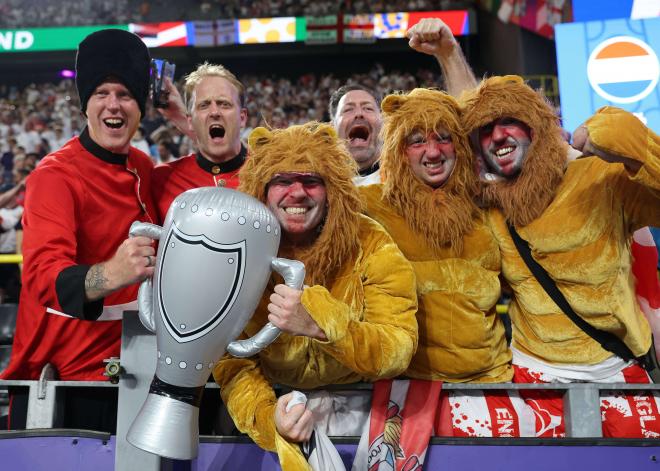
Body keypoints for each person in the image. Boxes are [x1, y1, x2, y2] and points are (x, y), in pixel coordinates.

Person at [460, 75, 660, 438]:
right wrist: (446, 52)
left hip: (615, 370)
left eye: (509, 122)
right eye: (484, 131)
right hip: (533, 378)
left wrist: (621, 133)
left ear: (537, 128)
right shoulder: (490, 207)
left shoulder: (599, 177)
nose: (497, 136)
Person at [213, 122, 418, 470]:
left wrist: (322, 324)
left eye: (311, 180)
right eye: (282, 181)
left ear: (331, 187)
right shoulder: (237, 247)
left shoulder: (369, 240)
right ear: (262, 189)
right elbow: (231, 362)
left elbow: (399, 345)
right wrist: (268, 419)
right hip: (279, 410)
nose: (297, 193)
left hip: (368, 414)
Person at [0, 29, 157, 432]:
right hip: (61, 385)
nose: (113, 104)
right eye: (101, 93)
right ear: (84, 105)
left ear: (141, 106)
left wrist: (186, 121)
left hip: (130, 375)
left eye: (125, 94)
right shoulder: (54, 176)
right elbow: (40, 276)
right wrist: (112, 273)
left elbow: (209, 173)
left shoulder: (144, 167)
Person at [360, 88, 530, 442]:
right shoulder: (370, 206)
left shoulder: (488, 203)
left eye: (444, 138)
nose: (433, 152)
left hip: (489, 384)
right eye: (417, 140)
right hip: (404, 394)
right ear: (397, 150)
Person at [329, 18, 477, 187]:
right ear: (332, 127)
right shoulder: (316, 186)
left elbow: (472, 128)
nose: (359, 113)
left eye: (368, 108)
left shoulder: (415, 171)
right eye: (348, 109)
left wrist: (449, 54)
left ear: (385, 124)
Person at [151, 62, 247, 222]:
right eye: (204, 105)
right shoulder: (162, 179)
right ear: (189, 121)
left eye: (224, 104)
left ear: (242, 118)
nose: (215, 112)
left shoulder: (270, 175)